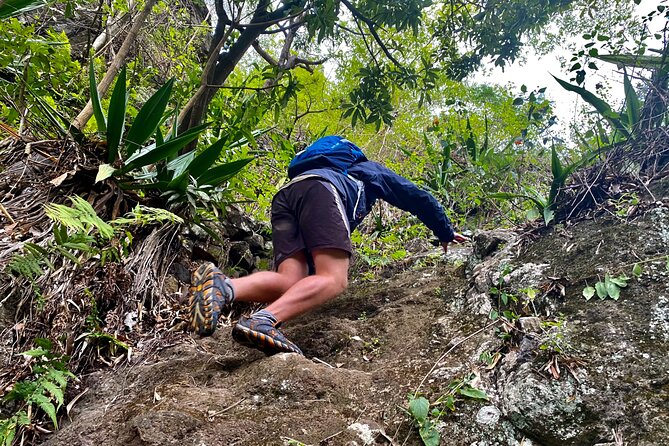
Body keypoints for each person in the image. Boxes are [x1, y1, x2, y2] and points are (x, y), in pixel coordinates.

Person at [188, 136, 467, 355]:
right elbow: (413, 195)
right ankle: (263, 320)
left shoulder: (305, 172)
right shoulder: (364, 169)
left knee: (290, 279)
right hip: (322, 191)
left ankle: (225, 287)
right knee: (333, 279)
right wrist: (444, 230)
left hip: (286, 197)